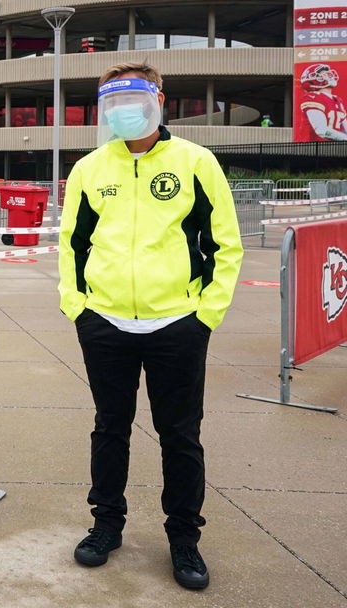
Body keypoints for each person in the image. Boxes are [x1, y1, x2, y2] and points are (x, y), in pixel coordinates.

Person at [58, 62, 243, 591]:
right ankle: (106, 525)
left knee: (179, 435)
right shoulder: (90, 169)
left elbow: (225, 244)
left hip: (178, 324)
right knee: (109, 427)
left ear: (158, 99)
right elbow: (72, 244)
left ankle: (184, 538)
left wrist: (206, 315)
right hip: (106, 322)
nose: (122, 111)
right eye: (111, 103)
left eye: (132, 99)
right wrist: (78, 307)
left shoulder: (195, 163)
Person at [294, 64, 347, 141]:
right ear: (313, 79)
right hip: (311, 149)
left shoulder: (337, 100)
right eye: (324, 73)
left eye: (328, 72)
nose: (330, 74)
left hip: (330, 148)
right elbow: (321, 130)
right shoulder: (312, 97)